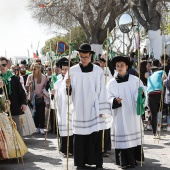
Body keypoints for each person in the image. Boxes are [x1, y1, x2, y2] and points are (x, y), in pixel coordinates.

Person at [65, 43, 112, 170]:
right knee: (80, 136)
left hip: (93, 107)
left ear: (90, 56)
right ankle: (80, 162)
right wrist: (67, 86)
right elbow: (66, 93)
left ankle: (97, 161)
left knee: (94, 135)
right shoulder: (72, 71)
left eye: (85, 57)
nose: (83, 59)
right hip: (79, 108)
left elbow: (102, 91)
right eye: (81, 57)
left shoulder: (98, 71)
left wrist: (102, 109)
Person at [107, 56, 144, 169]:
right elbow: (107, 97)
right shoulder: (111, 83)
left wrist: (141, 95)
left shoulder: (135, 80)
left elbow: (143, 92)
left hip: (132, 113)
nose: (119, 68)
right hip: (120, 114)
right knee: (122, 136)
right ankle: (123, 161)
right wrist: (114, 101)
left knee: (133, 134)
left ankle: (134, 159)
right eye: (117, 66)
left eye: (121, 65)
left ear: (127, 66)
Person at [0, 81, 28, 159]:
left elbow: (3, 107)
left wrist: (6, 104)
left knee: (12, 130)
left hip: (11, 111)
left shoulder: (14, 79)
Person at [0, 57, 27, 136]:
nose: (2, 67)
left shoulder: (14, 78)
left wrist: (23, 103)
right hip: (2, 110)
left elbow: (21, 92)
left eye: (4, 65)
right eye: (0, 65)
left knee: (17, 130)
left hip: (14, 108)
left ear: (7, 65)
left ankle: (19, 147)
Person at [51, 59, 73, 157]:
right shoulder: (58, 82)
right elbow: (56, 98)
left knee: (72, 128)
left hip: (72, 108)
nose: (64, 71)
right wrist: (53, 94)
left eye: (66, 69)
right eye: (63, 69)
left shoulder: (74, 80)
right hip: (63, 109)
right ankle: (64, 149)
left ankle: (72, 148)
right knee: (64, 127)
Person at [26, 63, 48, 135]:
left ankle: (41, 127)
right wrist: (28, 85)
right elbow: (26, 87)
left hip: (41, 97)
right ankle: (37, 127)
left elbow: (45, 87)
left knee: (41, 112)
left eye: (34, 69)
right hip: (32, 98)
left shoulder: (43, 77)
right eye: (32, 69)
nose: (33, 71)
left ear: (38, 69)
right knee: (35, 113)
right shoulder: (30, 77)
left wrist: (42, 93)